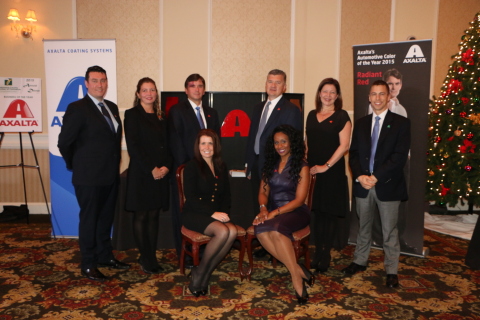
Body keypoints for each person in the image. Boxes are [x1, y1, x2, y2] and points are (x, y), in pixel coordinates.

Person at [58, 65, 130, 281]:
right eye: (95, 80)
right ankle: (88, 264)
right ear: (86, 84)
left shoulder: (111, 106)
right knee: (89, 220)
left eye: (103, 80)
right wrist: (77, 164)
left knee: (105, 219)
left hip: (110, 176)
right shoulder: (77, 108)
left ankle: (104, 256)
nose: (100, 84)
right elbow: (64, 143)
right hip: (88, 177)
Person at [343, 80, 410, 289]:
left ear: (389, 97)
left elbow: (399, 157)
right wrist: (361, 176)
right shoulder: (361, 123)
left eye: (382, 94)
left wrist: (376, 176)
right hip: (363, 185)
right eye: (374, 94)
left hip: (387, 185)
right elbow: (353, 153)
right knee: (363, 227)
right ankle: (359, 261)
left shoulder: (401, 123)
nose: (378, 98)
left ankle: (391, 271)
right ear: (369, 97)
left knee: (390, 231)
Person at [253, 125, 313, 305]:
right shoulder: (270, 164)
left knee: (277, 229)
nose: (279, 145)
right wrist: (264, 208)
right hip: (273, 210)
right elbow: (263, 192)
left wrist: (274, 213)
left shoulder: (301, 166)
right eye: (276, 142)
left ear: (291, 143)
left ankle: (296, 278)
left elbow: (300, 199)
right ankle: (298, 270)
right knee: (260, 228)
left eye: (283, 141)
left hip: (296, 211)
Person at [245, 69, 302, 258]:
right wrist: (249, 161)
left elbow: (291, 141)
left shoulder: (291, 110)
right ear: (266, 84)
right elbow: (253, 136)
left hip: (276, 166)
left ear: (284, 87)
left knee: (274, 205)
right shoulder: (257, 107)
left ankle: (274, 249)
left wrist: (281, 165)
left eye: (277, 82)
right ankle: (264, 242)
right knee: (259, 204)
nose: (273, 85)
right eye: (270, 81)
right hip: (256, 163)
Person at [168, 74, 220, 259]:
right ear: (186, 90)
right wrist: (191, 168)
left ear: (204, 90)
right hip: (186, 171)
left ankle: (206, 250)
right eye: (192, 86)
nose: (196, 89)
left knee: (204, 209)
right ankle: (184, 254)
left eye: (200, 86)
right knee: (183, 210)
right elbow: (176, 143)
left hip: (207, 173)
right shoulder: (177, 111)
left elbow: (216, 143)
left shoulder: (211, 112)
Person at [124, 77, 172, 274]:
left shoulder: (162, 117)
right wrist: (152, 168)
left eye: (152, 90)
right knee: (141, 215)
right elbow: (134, 147)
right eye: (145, 90)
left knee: (154, 215)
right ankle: (144, 257)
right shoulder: (132, 115)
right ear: (138, 94)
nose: (149, 93)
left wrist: (166, 167)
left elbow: (169, 145)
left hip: (161, 174)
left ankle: (151, 256)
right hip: (142, 174)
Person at [183, 129, 237, 297]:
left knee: (233, 231)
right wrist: (213, 213)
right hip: (195, 213)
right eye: (203, 143)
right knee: (222, 232)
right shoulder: (192, 166)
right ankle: (200, 272)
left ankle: (204, 272)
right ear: (197, 146)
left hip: (215, 214)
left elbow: (226, 195)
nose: (207, 147)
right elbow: (190, 198)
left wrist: (224, 214)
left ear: (216, 146)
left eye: (210, 143)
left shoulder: (221, 165)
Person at [306, 78, 351, 274]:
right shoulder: (310, 115)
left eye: (333, 92)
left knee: (329, 214)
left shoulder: (342, 116)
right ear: (319, 93)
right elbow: (308, 143)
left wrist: (326, 166)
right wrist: (306, 164)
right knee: (316, 212)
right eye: (325, 91)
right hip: (313, 171)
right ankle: (317, 252)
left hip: (331, 172)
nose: (328, 95)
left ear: (338, 96)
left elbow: (344, 146)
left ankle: (325, 253)